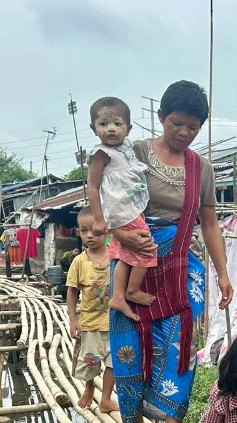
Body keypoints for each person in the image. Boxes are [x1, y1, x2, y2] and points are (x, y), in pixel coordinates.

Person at [107, 80, 233, 423]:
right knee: (128, 339)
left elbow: (209, 224)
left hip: (181, 265)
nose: (184, 133)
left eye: (193, 127)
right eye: (176, 123)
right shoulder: (133, 153)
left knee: (183, 342)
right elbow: (107, 196)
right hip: (132, 259)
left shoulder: (202, 168)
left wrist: (222, 274)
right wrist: (121, 232)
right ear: (161, 117)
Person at [86, 96, 154, 322]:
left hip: (130, 209)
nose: (111, 129)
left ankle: (117, 296)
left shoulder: (126, 148)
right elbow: (93, 188)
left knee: (126, 253)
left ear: (129, 128)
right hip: (121, 211)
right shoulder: (101, 154)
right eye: (103, 124)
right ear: (94, 129)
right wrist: (98, 219)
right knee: (146, 248)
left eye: (117, 123)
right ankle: (132, 290)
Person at [66, 207, 116, 412]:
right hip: (90, 323)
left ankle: (105, 399)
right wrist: (73, 320)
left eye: (94, 231)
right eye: (84, 231)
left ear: (107, 231)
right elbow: (71, 291)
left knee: (114, 363)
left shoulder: (116, 256)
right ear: (79, 232)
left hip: (115, 322)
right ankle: (89, 388)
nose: (89, 236)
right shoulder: (79, 261)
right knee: (90, 363)